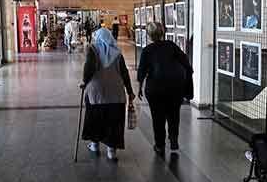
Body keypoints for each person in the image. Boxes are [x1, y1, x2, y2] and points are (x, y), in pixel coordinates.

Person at [137, 21, 192, 154]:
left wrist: (139, 87)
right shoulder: (171, 46)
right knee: (174, 114)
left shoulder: (147, 50)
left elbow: (142, 72)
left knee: (157, 117)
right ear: (163, 32)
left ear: (149, 35)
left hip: (155, 88)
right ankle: (173, 140)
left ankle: (160, 144)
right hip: (175, 87)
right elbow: (186, 62)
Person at [81, 28, 134, 161]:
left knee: (95, 117)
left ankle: (95, 145)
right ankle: (111, 151)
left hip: (96, 92)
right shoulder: (117, 53)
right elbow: (124, 73)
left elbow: (88, 69)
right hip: (116, 93)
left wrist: (84, 82)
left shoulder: (93, 50)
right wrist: (130, 90)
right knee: (114, 121)